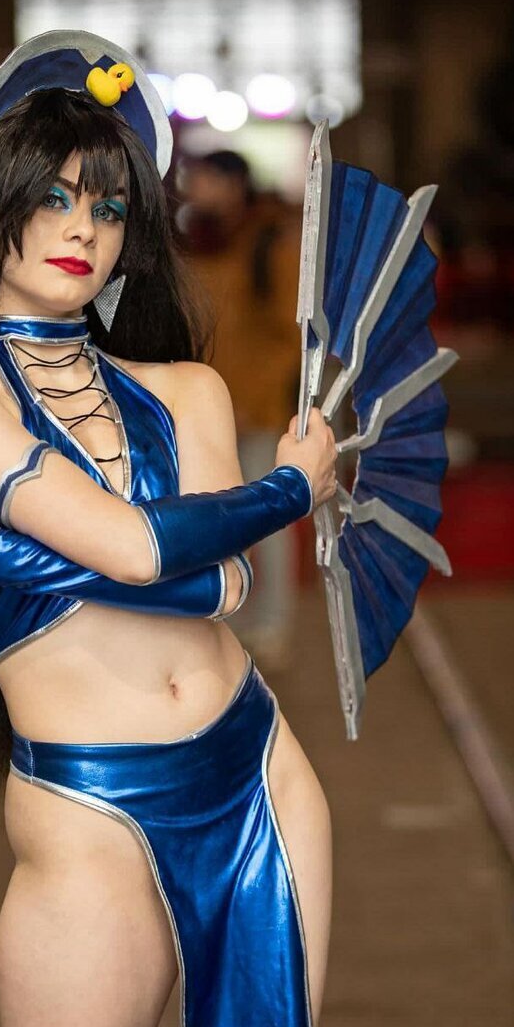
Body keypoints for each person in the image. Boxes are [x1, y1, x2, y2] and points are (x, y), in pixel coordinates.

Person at [0, 32, 337, 1027]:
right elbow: (142, 551)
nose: (83, 228)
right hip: (89, 802)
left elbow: (224, 589)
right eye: (52, 197)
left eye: (109, 208)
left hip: (258, 769)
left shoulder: (186, 387)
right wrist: (290, 488)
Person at [180, 151, 304, 671]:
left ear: (234, 184)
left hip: (255, 411)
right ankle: (229, 619)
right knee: (216, 516)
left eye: (206, 179)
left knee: (267, 519)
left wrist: (254, 401)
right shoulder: (192, 241)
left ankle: (272, 624)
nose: (195, 188)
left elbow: (291, 335)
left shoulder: (270, 242)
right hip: (205, 409)